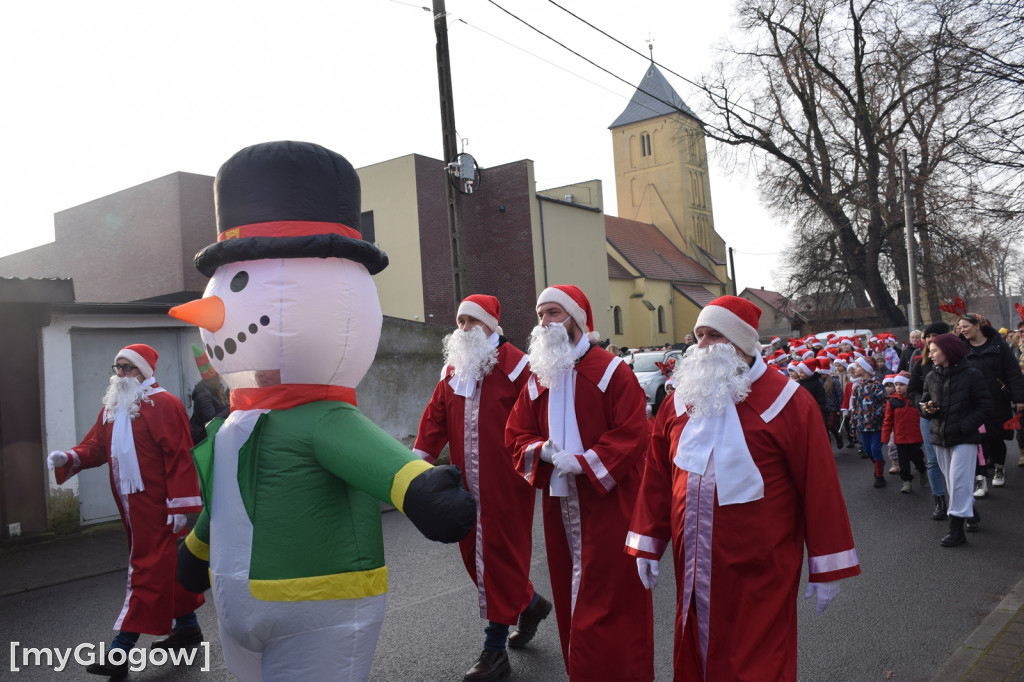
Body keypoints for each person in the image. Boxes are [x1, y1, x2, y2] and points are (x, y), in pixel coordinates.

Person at [626, 295, 860, 680]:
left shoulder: (790, 403)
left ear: (743, 342)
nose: (702, 346)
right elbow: (657, 476)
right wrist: (648, 542)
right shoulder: (679, 402)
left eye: (714, 335)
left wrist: (828, 565)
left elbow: (820, 487)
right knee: (697, 653)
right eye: (699, 335)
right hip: (693, 564)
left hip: (761, 568)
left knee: (755, 662)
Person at [506, 285, 654, 682]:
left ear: (577, 319)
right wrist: (543, 451)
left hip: (610, 505)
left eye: (553, 313)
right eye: (540, 314)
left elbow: (633, 432)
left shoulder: (612, 371)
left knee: (612, 600)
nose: (544, 322)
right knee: (572, 597)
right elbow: (515, 432)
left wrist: (587, 461)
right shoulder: (540, 377)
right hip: (559, 506)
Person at [47, 344, 205, 677]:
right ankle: (188, 627)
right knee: (167, 566)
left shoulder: (165, 404)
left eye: (127, 367)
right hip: (132, 508)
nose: (120, 374)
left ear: (144, 370)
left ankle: (120, 651)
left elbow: (180, 454)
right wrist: (70, 457)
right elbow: (96, 446)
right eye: (117, 367)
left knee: (145, 571)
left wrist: (180, 504)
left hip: (160, 508)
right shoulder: (114, 406)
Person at [413, 295, 549, 681]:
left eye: (472, 320)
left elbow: (540, 418)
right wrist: (414, 466)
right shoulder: (453, 369)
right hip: (465, 482)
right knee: (475, 557)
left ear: (491, 323)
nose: (465, 328)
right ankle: (531, 603)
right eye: (460, 321)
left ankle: (495, 650)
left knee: (500, 557)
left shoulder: (520, 367)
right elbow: (435, 420)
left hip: (507, 483)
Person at [921, 334, 994, 546]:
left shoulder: (972, 375)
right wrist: (927, 409)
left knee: (959, 481)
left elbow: (985, 407)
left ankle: (956, 530)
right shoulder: (931, 376)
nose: (930, 355)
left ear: (948, 351)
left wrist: (964, 426)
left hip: (964, 438)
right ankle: (969, 512)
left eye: (934, 351)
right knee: (953, 482)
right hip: (940, 437)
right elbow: (924, 403)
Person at [957, 313, 1024, 497]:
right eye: (960, 327)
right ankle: (980, 479)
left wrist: (1019, 398)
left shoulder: (999, 346)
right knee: (977, 441)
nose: (962, 330)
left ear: (977, 325)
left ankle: (999, 467)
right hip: (971, 403)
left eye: (965, 326)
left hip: (997, 401)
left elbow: (1013, 373)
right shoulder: (960, 348)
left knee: (995, 439)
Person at [908, 322, 952, 520]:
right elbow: (913, 391)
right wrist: (923, 405)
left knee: (956, 463)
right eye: (927, 336)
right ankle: (939, 501)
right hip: (928, 418)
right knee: (933, 460)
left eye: (934, 335)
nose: (929, 339)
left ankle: (964, 504)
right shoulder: (922, 364)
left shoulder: (961, 363)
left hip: (955, 417)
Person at [882, 374, 928, 493]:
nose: (898, 387)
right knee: (903, 461)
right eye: (896, 385)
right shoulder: (892, 401)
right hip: (900, 437)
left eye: (902, 385)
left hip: (915, 436)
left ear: (909, 385)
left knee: (918, 458)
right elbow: (888, 420)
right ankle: (906, 482)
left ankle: (923, 471)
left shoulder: (916, 400)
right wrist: (885, 437)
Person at [852, 356, 888, 487]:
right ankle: (879, 463)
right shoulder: (857, 386)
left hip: (875, 424)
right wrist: (853, 422)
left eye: (858, 366)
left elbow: (884, 402)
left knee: (875, 449)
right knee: (867, 451)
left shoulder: (876, 385)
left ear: (866, 369)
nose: (855, 369)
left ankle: (879, 475)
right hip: (863, 425)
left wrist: (876, 415)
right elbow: (855, 406)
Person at [188, 344, 229, 446]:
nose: (221, 376)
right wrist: (232, 407)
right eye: (219, 374)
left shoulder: (216, 390)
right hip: (203, 442)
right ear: (213, 376)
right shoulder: (202, 396)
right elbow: (212, 421)